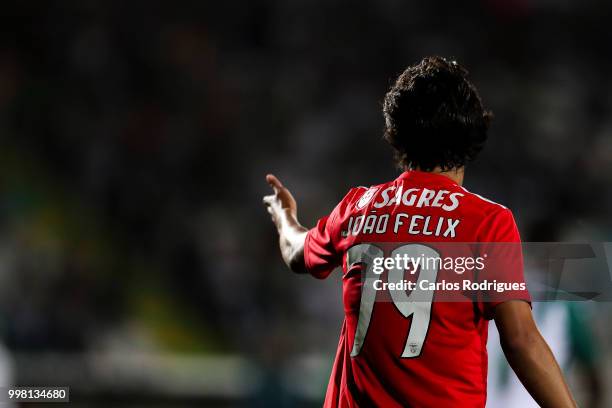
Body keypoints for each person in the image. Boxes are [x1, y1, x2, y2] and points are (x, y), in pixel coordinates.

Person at [263, 56, 576, 407]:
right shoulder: (487, 222)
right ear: (473, 134)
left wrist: (283, 215)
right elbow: (520, 340)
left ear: (396, 134)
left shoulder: (359, 207)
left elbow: (295, 252)